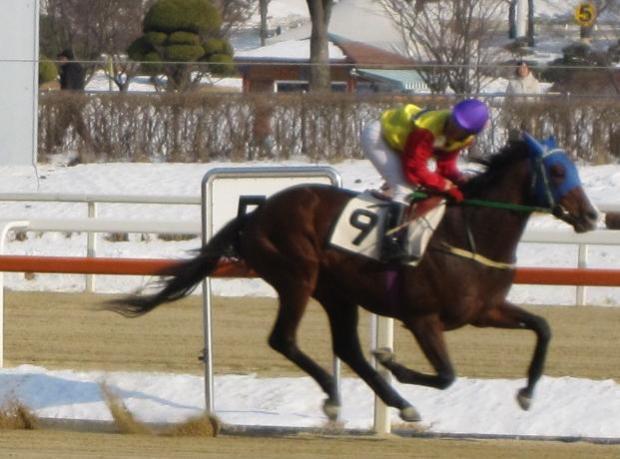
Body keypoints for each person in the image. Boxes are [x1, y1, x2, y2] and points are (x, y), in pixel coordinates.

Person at [360, 99, 489, 263]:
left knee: (418, 187)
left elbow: (446, 166)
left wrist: (459, 179)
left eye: (459, 129)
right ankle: (389, 245)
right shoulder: (427, 129)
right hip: (380, 137)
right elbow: (414, 170)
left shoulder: (466, 139)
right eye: (453, 121)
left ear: (469, 134)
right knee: (404, 188)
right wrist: (444, 185)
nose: (453, 128)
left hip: (403, 143)